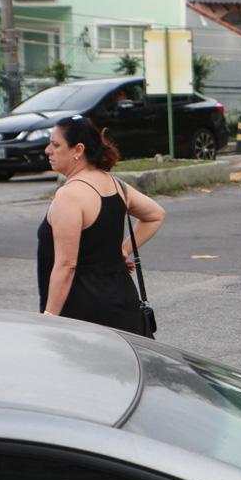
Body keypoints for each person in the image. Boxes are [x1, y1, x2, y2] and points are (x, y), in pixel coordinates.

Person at [38, 115, 165, 334]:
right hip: (123, 302)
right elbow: (156, 214)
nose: (48, 150)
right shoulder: (116, 185)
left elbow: (67, 265)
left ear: (78, 150)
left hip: (83, 310)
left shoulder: (69, 196)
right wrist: (122, 250)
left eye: (55, 144)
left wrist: (49, 319)